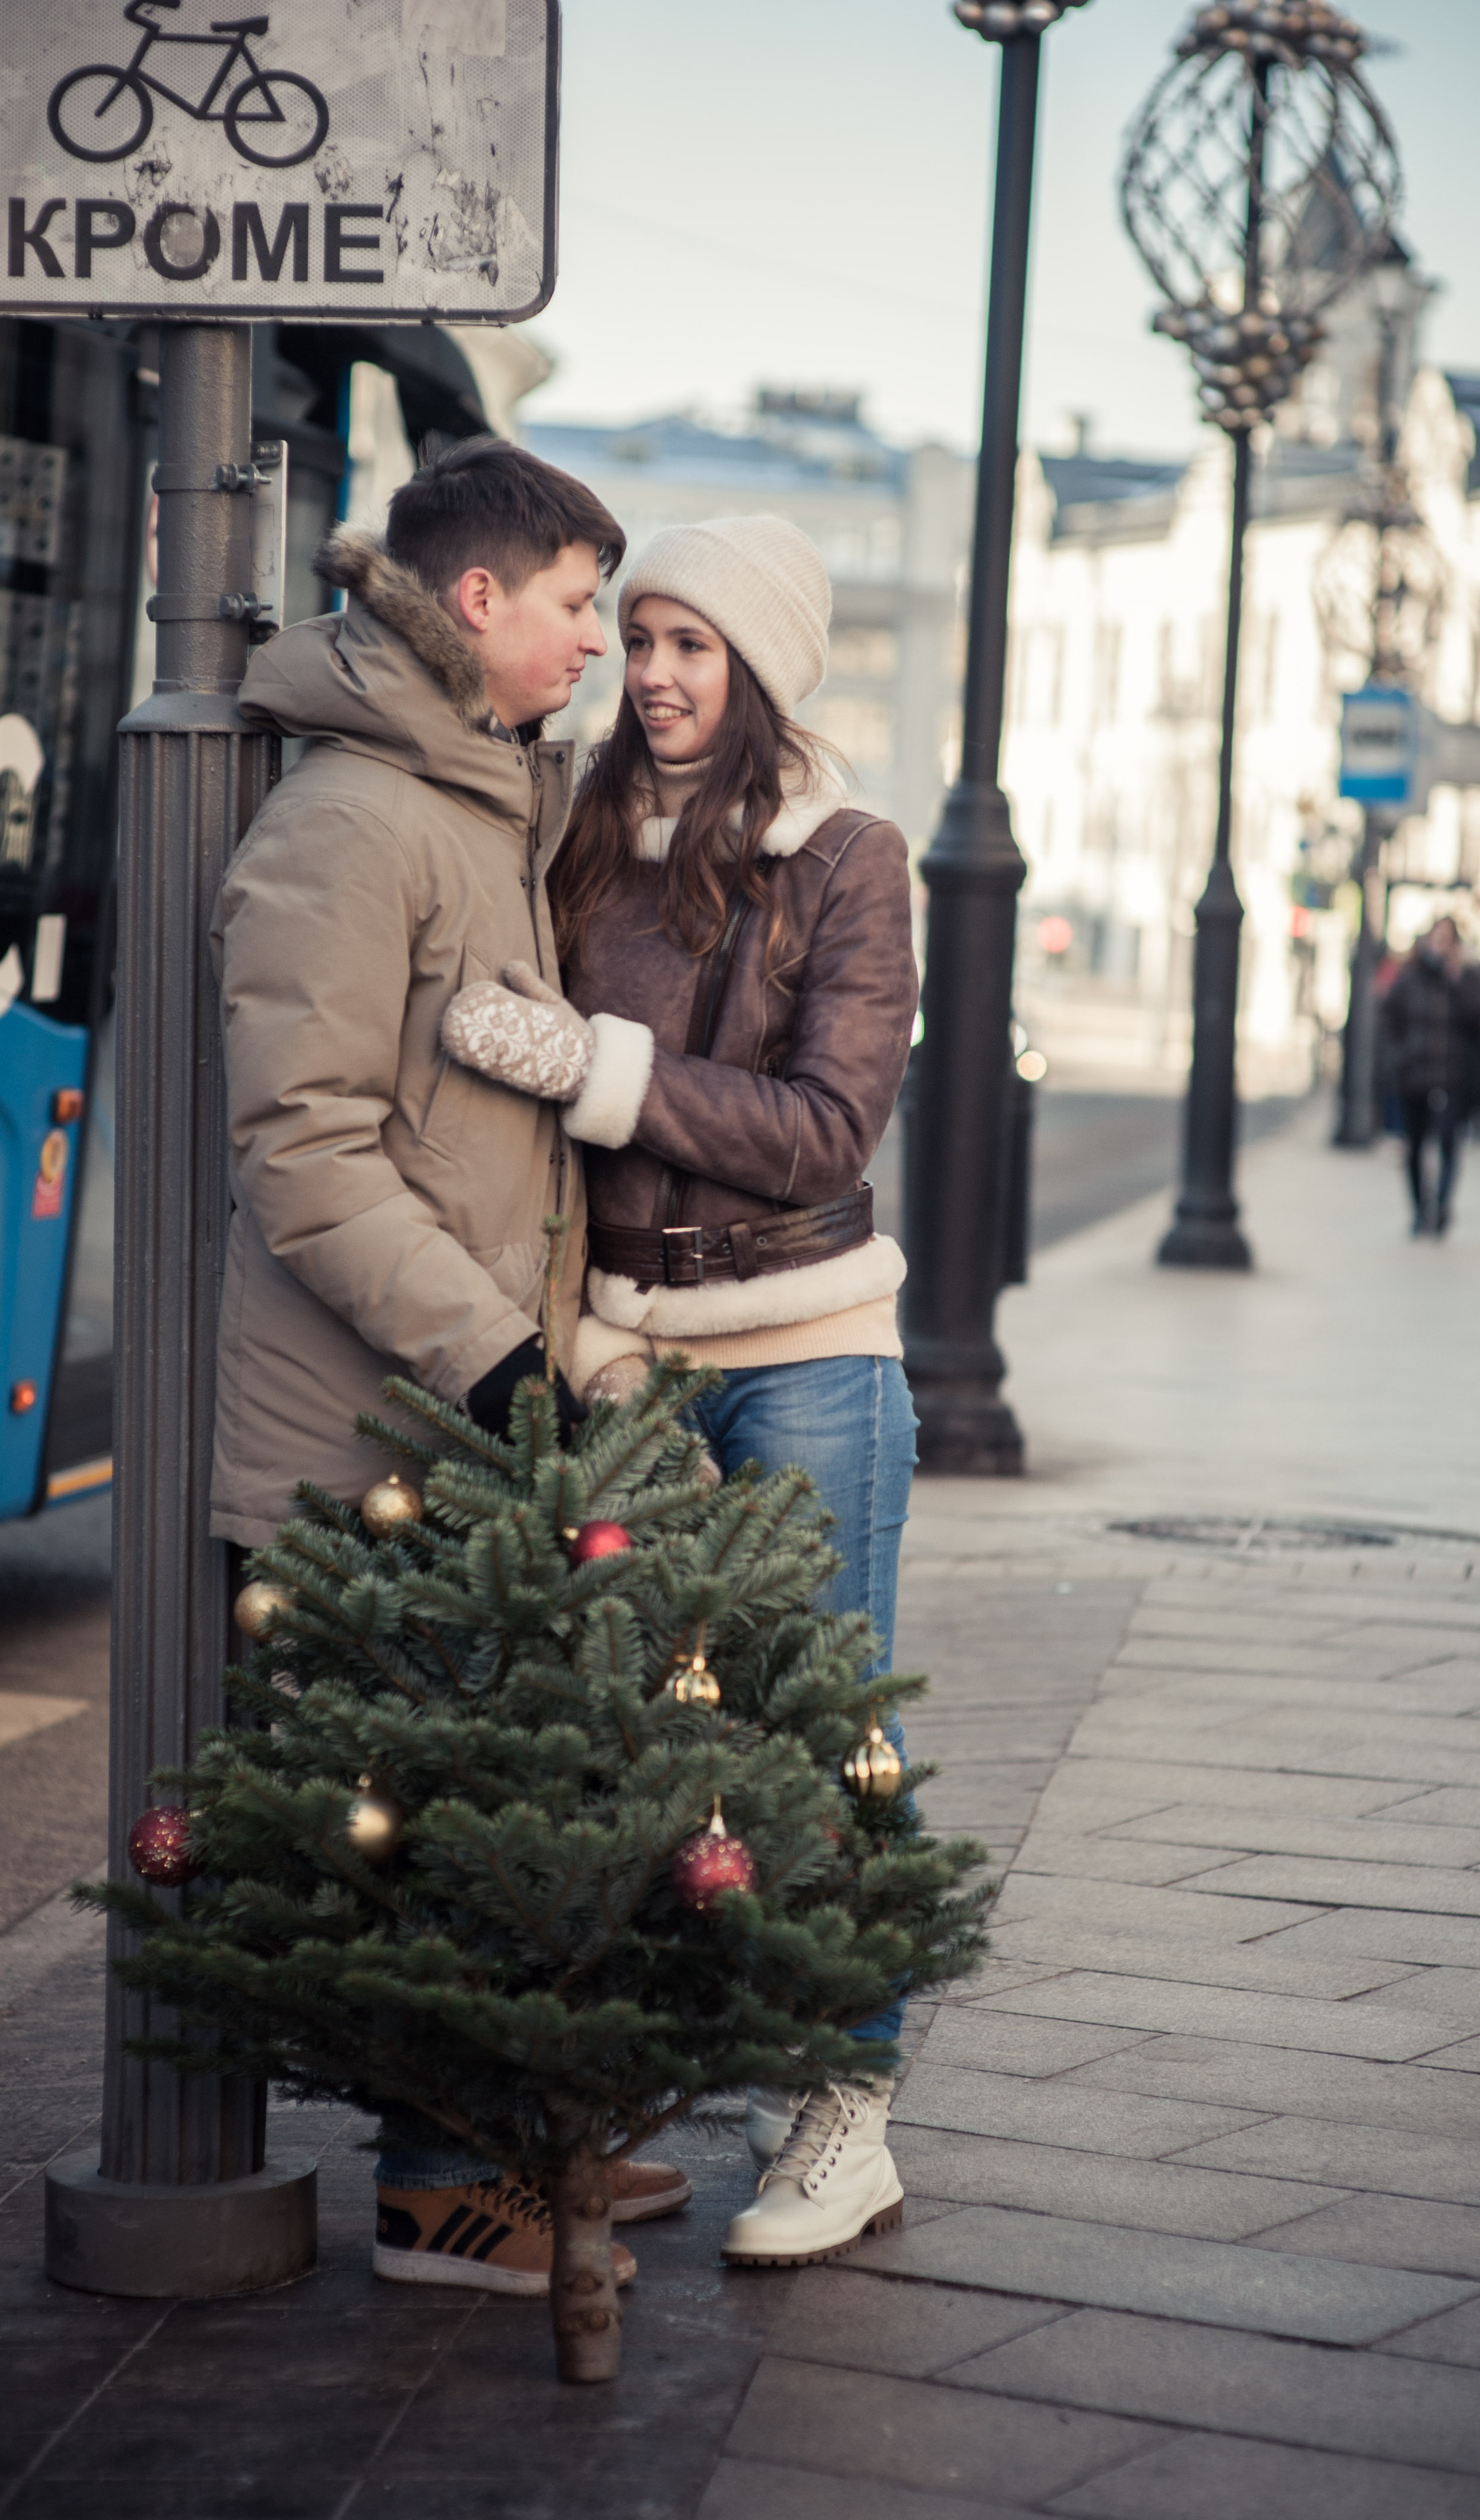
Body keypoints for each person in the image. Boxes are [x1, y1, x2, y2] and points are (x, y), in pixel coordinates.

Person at [210, 438, 692, 2298]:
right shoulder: (355, 818)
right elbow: (306, 1149)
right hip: (370, 1422)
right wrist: (500, 1354)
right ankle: (438, 2188)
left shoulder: (475, 796)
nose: (597, 642)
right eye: (581, 603)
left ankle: (497, 2141)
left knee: (488, 1797)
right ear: (477, 599)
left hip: (450, 1404)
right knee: (427, 1815)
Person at [440, 515, 920, 2270]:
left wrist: (600, 1068)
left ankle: (847, 2105)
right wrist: (584, 1325)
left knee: (824, 1733)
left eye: (689, 645)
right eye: (637, 638)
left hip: (807, 1359)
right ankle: (638, 2096)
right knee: (638, 1736)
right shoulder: (583, 839)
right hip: (628, 1355)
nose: (650, 675)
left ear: (763, 665)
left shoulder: (847, 858)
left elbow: (821, 1128)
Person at [1378, 915, 1480, 1236]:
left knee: (1448, 1145)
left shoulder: (1463, 980)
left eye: (1449, 940)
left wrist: (1458, 976)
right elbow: (1388, 1015)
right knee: (1415, 1147)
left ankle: (1442, 1207)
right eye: (1438, 938)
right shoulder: (1411, 977)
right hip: (1414, 1076)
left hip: (1452, 1078)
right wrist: (1399, 1054)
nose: (1442, 946)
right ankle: (1420, 1211)